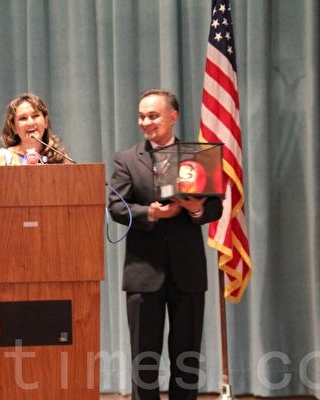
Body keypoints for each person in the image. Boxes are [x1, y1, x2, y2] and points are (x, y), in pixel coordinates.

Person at [108, 89, 223, 400]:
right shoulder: (126, 159)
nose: (145, 122)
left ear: (173, 117)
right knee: (144, 357)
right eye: (142, 116)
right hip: (144, 272)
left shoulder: (198, 156)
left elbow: (215, 208)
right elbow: (116, 206)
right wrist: (151, 213)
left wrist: (196, 209)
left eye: (153, 116)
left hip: (188, 271)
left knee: (187, 356)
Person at [0, 93, 69, 165]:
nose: (30, 123)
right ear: (13, 127)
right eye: (23, 118)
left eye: (35, 116)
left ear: (46, 122)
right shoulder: (3, 158)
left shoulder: (59, 158)